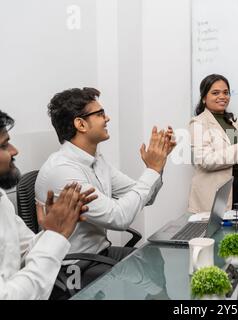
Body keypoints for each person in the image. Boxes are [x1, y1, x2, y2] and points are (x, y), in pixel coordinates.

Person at [34, 87, 176, 287]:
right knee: (144, 273)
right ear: (80, 124)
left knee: (154, 258)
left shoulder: (96, 160)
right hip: (74, 265)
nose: (107, 118)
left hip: (99, 252)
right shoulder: (63, 170)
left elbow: (147, 197)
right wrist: (152, 170)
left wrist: (158, 166)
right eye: (100, 114)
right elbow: (118, 218)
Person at [0, 110, 96, 299]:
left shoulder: (1, 198)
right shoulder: (61, 168)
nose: (14, 151)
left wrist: (53, 228)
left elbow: (25, 250)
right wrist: (55, 235)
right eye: (4, 145)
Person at [189, 74, 238, 213]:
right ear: (204, 98)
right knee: (218, 233)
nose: (222, 96)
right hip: (215, 190)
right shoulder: (198, 123)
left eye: (226, 92)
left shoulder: (231, 121)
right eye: (215, 93)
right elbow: (206, 160)